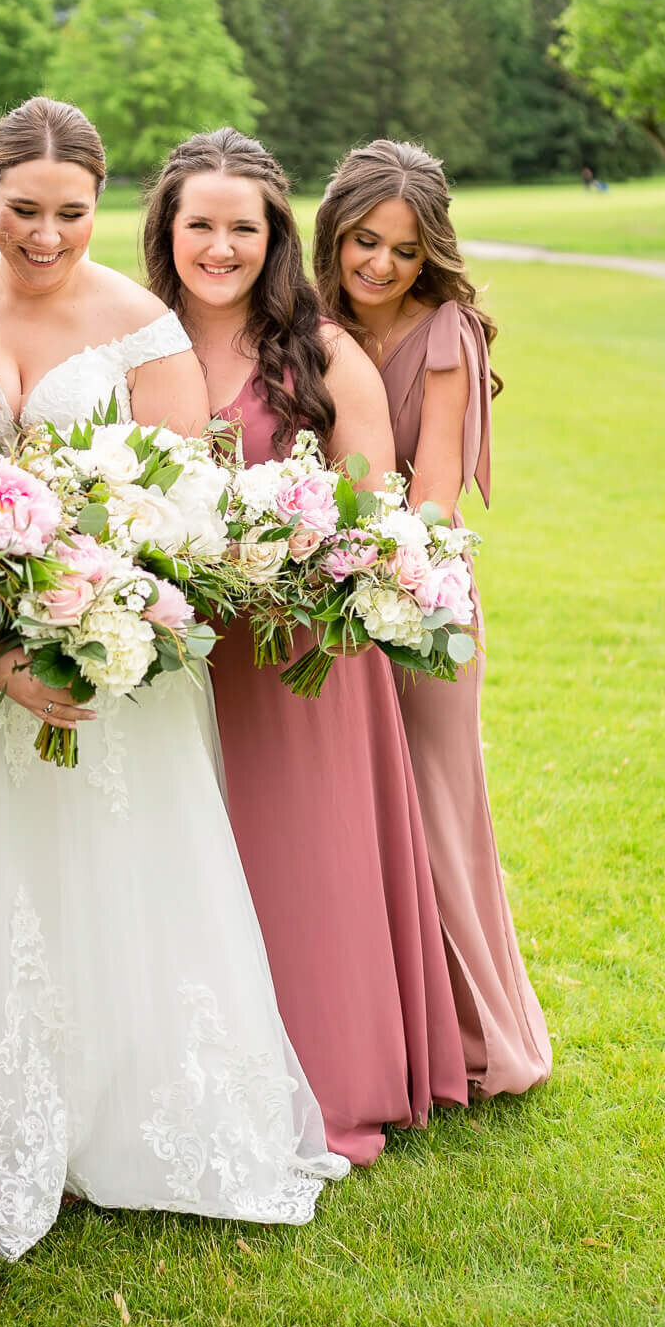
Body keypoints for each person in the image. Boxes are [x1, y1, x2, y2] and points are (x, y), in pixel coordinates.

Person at [0, 97, 349, 1261]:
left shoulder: (139, 328)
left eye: (69, 212)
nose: (42, 234)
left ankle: (144, 1116)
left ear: (100, 204)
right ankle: (9, 1114)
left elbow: (183, 516)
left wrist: (94, 592)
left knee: (129, 869)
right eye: (19, 210)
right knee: (4, 866)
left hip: (114, 651)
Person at [143, 127, 468, 1163]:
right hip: (182, 651)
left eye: (244, 226)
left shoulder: (323, 348)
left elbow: (376, 503)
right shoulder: (133, 341)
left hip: (302, 655)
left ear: (274, 236)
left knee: (306, 864)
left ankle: (335, 1072)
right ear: (169, 228)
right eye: (202, 223)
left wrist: (293, 546)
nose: (222, 245)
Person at [313, 138, 552, 1098]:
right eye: (363, 241)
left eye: (402, 252)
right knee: (353, 819)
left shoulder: (445, 331)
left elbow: (439, 490)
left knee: (439, 813)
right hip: (316, 605)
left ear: (428, 257)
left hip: (421, 599)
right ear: (332, 232)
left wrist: (378, 569)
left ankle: (481, 1036)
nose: (378, 265)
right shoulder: (302, 325)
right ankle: (384, 1033)